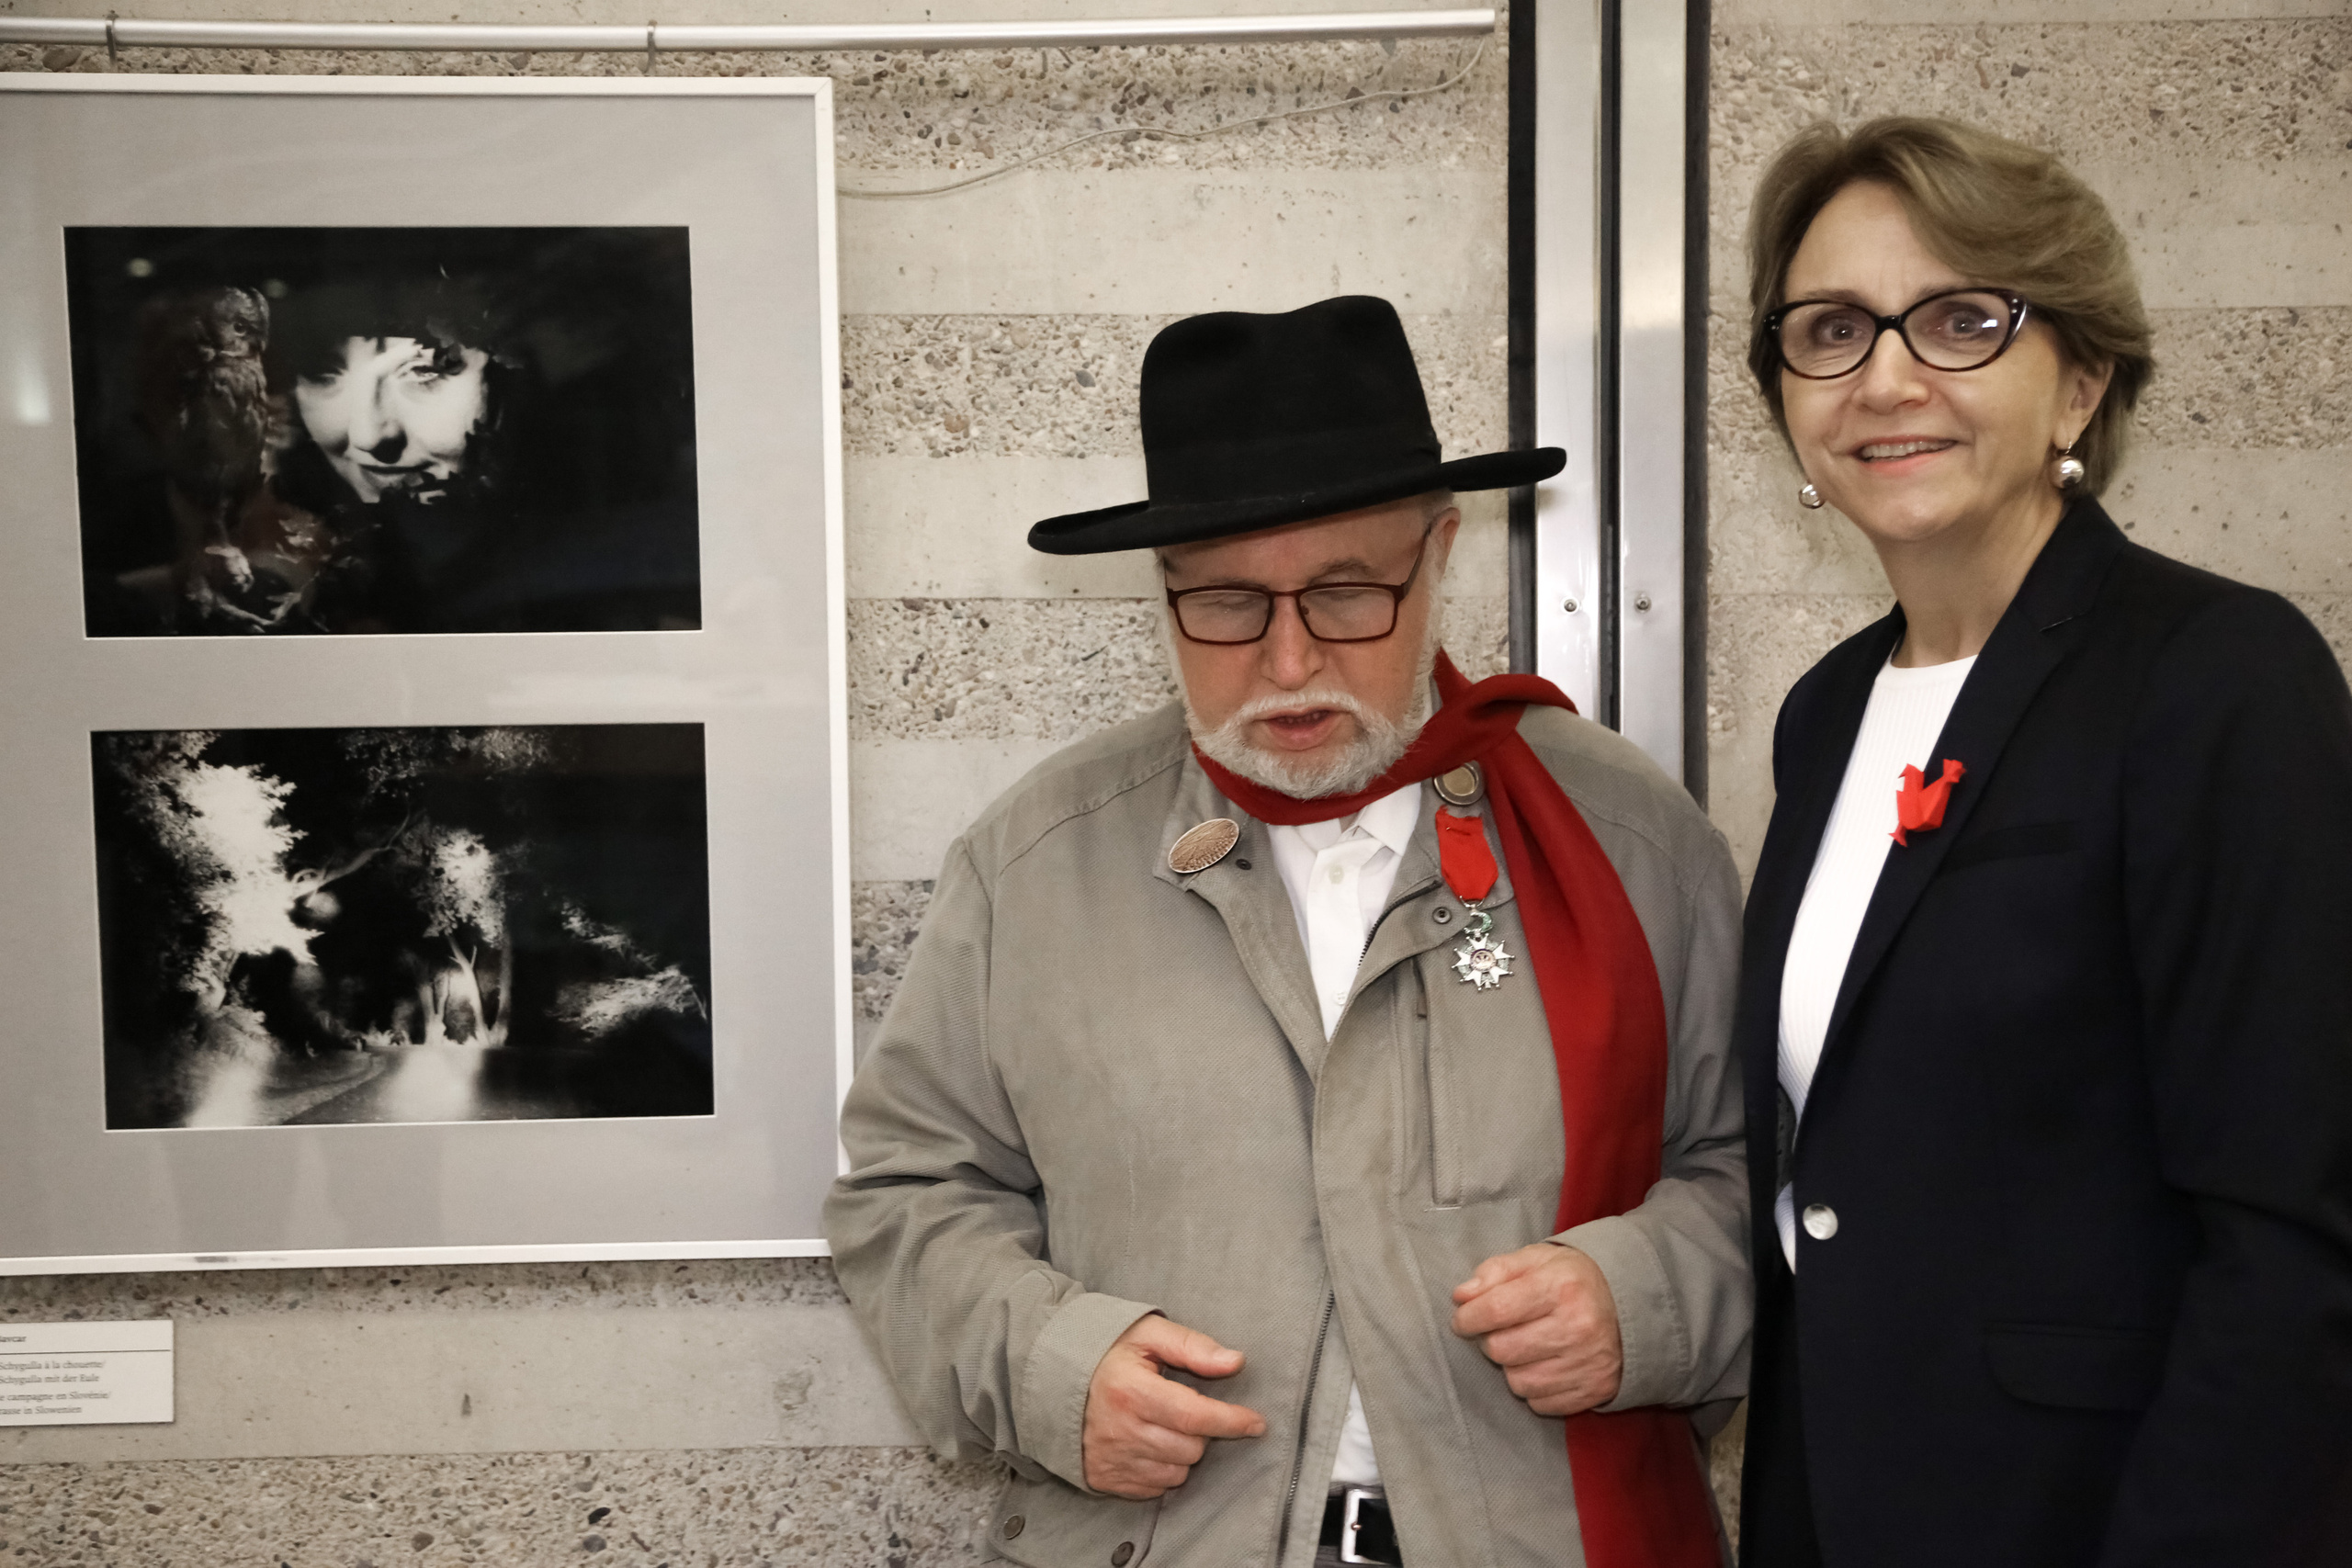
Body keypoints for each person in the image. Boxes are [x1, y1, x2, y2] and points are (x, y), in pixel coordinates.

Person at [827, 296, 1751, 1568]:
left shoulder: (1633, 843)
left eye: (1346, 592)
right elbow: (908, 1194)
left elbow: (1770, 1173)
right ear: (1162, 593)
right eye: (1222, 605)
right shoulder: (1034, 867)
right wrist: (1049, 1370)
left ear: (1440, 553)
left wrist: (1649, 1299)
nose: (1287, 658)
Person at [1731, 117, 2352, 1566]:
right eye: (1830, 329)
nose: (1885, 375)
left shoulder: (2216, 676)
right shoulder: (1829, 712)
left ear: (2077, 380)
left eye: (1960, 320)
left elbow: (2296, 1243)